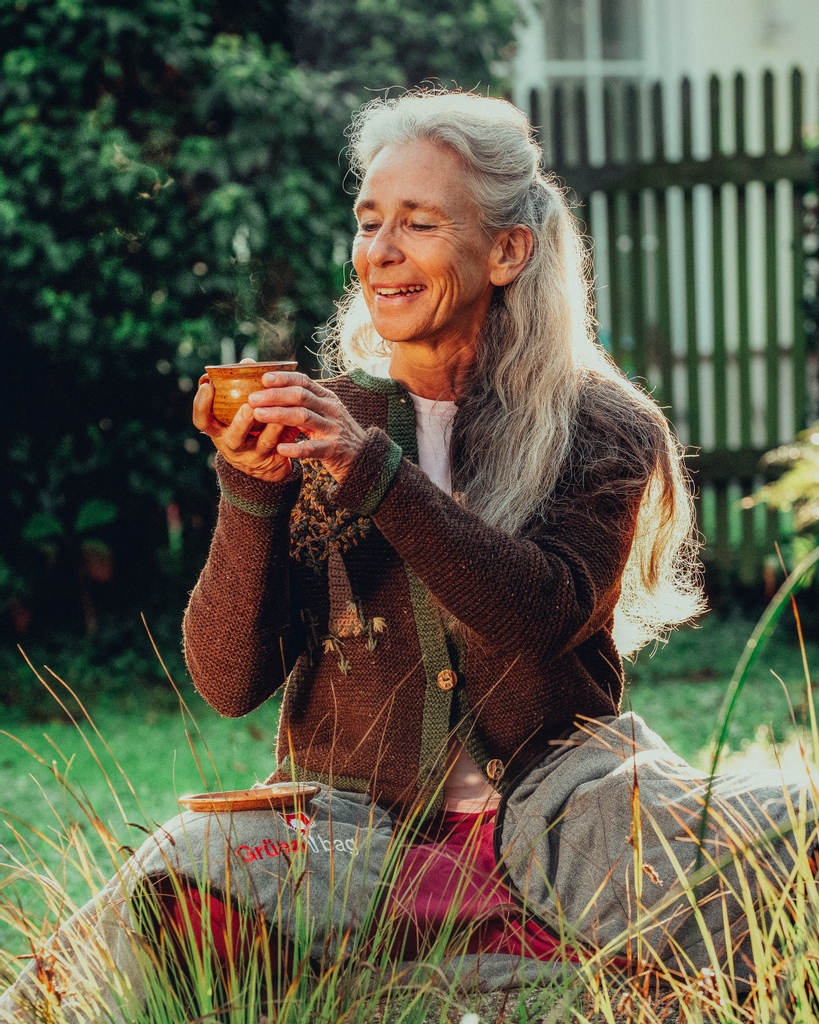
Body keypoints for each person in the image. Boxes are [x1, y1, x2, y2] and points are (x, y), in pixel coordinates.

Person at [2, 90, 815, 1022]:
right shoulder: (324, 420)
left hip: (561, 815)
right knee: (176, 885)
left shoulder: (598, 426)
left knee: (790, 842)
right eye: (368, 221)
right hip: (351, 833)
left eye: (419, 223)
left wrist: (374, 470)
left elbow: (541, 611)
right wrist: (251, 491)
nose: (379, 251)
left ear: (507, 251)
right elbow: (229, 682)